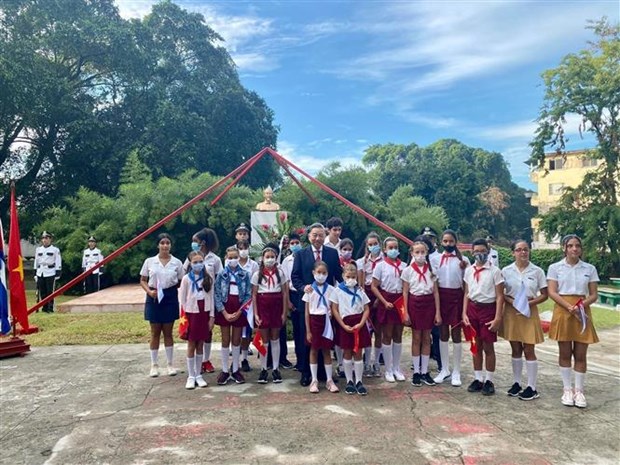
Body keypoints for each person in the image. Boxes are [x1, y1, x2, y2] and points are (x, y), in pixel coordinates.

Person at [547, 234, 599, 408]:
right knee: (564, 352)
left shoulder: (589, 268)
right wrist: (569, 307)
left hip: (582, 311)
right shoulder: (555, 268)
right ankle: (567, 389)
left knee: (581, 353)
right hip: (563, 310)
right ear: (564, 248)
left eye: (577, 245)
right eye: (570, 246)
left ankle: (579, 391)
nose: (574, 249)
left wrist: (580, 306)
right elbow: (552, 292)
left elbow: (593, 294)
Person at [291, 223, 342, 386]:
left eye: (320, 235)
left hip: (327, 307)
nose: (318, 238)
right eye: (314, 235)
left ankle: (324, 373)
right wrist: (302, 287)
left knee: (326, 339)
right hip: (307, 305)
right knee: (307, 340)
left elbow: (339, 276)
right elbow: (295, 276)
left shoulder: (332, 253)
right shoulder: (301, 254)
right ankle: (306, 373)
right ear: (309, 236)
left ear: (324, 235)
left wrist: (351, 288)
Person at [499, 240, 548, 401]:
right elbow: (501, 293)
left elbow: (544, 294)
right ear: (513, 252)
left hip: (529, 310)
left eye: (525, 250)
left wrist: (528, 303)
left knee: (529, 348)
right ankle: (516, 383)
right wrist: (513, 302)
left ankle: (532, 387)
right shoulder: (506, 271)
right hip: (512, 310)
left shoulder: (537, 271)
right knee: (515, 348)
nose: (523, 253)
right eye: (519, 250)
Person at [462, 238, 504, 396]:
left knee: (488, 346)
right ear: (472, 252)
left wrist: (498, 317)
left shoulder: (495, 271)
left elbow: (500, 296)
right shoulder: (469, 270)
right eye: (477, 251)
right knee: (475, 345)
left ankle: (489, 380)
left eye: (483, 251)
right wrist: (464, 313)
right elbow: (466, 293)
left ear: (488, 251)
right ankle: (478, 378)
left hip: (488, 309)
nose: (480, 254)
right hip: (473, 308)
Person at [140, 233, 184, 377]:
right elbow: (143, 280)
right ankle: (154, 365)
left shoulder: (177, 262)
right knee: (155, 332)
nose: (165, 245)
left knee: (168, 332)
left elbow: (180, 280)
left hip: (169, 296)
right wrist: (149, 291)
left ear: (171, 245)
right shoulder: (150, 261)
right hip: (153, 297)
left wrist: (170, 290)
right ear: (158, 245)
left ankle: (170, 364)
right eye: (162, 243)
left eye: (167, 243)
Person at [430, 230, 470, 386]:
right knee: (443, 334)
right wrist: (437, 309)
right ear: (441, 242)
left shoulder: (464, 260)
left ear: (456, 242)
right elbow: (434, 282)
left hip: (457, 298)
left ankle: (457, 371)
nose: (448, 244)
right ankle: (444, 369)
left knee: (456, 334)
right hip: (441, 298)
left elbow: (466, 285)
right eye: (445, 241)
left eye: (451, 241)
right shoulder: (435, 260)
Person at [403, 240, 442, 386]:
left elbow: (436, 292)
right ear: (412, 253)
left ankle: (425, 371)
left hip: (429, 304)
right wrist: (405, 312)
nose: (420, 255)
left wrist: (438, 312)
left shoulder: (431, 271)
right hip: (414, 303)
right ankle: (416, 372)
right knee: (416, 338)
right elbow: (405, 292)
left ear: (427, 253)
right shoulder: (407, 271)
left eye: (422, 252)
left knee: (427, 338)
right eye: (417, 252)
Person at [330, 263, 371, 395]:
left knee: (358, 352)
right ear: (343, 276)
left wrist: (361, 323)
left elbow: (366, 309)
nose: (351, 279)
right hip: (345, 323)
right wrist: (342, 325)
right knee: (347, 352)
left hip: (359, 323)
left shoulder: (360, 291)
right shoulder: (337, 291)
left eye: (353, 277)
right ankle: (349, 381)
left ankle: (359, 381)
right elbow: (334, 309)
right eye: (348, 276)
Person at [214, 246, 252, 385]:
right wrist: (223, 312)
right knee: (225, 340)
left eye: (235, 257)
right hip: (225, 308)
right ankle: (225, 370)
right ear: (226, 258)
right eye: (230, 258)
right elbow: (217, 294)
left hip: (239, 309)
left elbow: (248, 294)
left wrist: (240, 311)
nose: (233, 260)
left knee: (237, 340)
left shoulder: (245, 274)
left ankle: (236, 369)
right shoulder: (221, 275)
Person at [371, 236, 407, 383]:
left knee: (398, 334)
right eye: (390, 248)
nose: (393, 250)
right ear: (385, 250)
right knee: (387, 334)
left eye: (396, 248)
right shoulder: (380, 266)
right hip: (386, 300)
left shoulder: (404, 266)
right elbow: (374, 286)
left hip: (400, 301)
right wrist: (384, 301)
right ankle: (388, 369)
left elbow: (406, 287)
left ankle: (397, 368)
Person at [252, 245, 289, 384]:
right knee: (264, 340)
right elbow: (254, 295)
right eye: (267, 257)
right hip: (263, 308)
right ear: (262, 258)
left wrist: (284, 312)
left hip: (277, 307)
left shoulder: (280, 273)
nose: (270, 260)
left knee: (275, 338)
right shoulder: (257, 274)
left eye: (272, 257)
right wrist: (256, 314)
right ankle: (263, 368)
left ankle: (275, 368)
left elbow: (285, 293)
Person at [179, 251, 214, 389]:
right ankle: (191, 375)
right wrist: (184, 318)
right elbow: (182, 300)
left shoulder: (208, 278)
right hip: (191, 313)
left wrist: (211, 317)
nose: (198, 264)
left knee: (201, 344)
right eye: (195, 262)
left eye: (200, 261)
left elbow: (211, 298)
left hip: (204, 312)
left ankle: (199, 374)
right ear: (190, 263)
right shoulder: (186, 279)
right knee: (191, 344)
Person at [189, 228, 222, 374]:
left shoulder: (215, 259)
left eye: (195, 241)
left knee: (208, 331)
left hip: (209, 300)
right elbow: (184, 275)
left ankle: (205, 360)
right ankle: (195, 362)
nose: (193, 244)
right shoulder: (191, 257)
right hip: (194, 301)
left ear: (203, 242)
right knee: (193, 333)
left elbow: (220, 279)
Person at [303, 261, 338, 393]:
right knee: (313, 350)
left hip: (327, 322)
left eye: (324, 273)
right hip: (314, 321)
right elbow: (306, 312)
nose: (321, 275)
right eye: (319, 272)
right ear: (313, 273)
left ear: (327, 274)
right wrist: (308, 330)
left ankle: (329, 380)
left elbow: (334, 307)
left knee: (326, 350)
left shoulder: (331, 289)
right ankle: (314, 380)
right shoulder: (309, 289)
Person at [356, 232, 383, 377]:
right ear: (367, 246)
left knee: (379, 331)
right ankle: (366, 363)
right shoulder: (362, 262)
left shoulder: (384, 261)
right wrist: (364, 301)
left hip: (380, 295)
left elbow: (384, 282)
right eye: (370, 244)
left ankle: (377, 362)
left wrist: (380, 298)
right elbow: (360, 284)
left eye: (375, 244)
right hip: (366, 296)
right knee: (366, 331)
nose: (373, 247)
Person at [281, 232, 303, 371]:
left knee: (305, 328)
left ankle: (305, 360)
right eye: (292, 243)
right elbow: (286, 283)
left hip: (304, 294)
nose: (295, 245)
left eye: (297, 243)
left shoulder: (305, 256)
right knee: (296, 330)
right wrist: (288, 301)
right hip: (293, 295)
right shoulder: (286, 261)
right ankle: (299, 360)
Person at [237, 239, 259, 372]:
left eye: (245, 247)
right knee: (236, 332)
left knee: (246, 332)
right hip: (234, 301)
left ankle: (244, 359)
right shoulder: (231, 262)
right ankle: (234, 360)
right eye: (241, 247)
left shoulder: (254, 265)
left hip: (248, 302)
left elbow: (255, 284)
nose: (243, 250)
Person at [422, 226, 442, 371]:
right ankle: (421, 363)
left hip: (436, 296)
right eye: (426, 238)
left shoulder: (440, 257)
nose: (428, 240)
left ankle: (440, 360)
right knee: (421, 332)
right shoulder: (418, 256)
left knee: (437, 332)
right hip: (421, 298)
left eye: (431, 238)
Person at [34, 231, 62, 313]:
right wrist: (35, 272)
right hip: (40, 272)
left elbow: (58, 261)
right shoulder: (38, 249)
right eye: (43, 238)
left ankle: (50, 308)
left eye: (46, 238)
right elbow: (36, 261)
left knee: (50, 291)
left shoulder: (55, 250)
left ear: (50, 239)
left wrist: (58, 272)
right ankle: (44, 307)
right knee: (42, 291)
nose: (44, 240)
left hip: (50, 272)